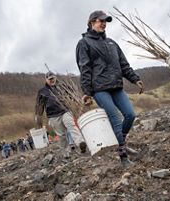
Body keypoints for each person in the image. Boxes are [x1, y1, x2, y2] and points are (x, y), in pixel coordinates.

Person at [76, 10, 144, 167]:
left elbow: (123, 65)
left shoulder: (112, 43)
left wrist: (135, 79)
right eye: (101, 21)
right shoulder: (84, 43)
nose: (104, 23)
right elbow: (84, 68)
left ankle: (122, 143)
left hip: (116, 86)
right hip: (99, 89)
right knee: (115, 118)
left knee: (130, 115)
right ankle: (123, 157)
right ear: (92, 22)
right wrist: (87, 92)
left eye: (105, 21)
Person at [35, 72, 87, 155]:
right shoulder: (42, 91)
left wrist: (78, 102)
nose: (52, 80)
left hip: (65, 111)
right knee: (61, 135)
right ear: (46, 80)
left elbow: (71, 95)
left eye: (53, 78)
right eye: (50, 79)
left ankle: (80, 143)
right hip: (53, 116)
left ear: (55, 78)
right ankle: (66, 152)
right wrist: (38, 117)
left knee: (72, 126)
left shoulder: (62, 86)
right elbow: (39, 106)